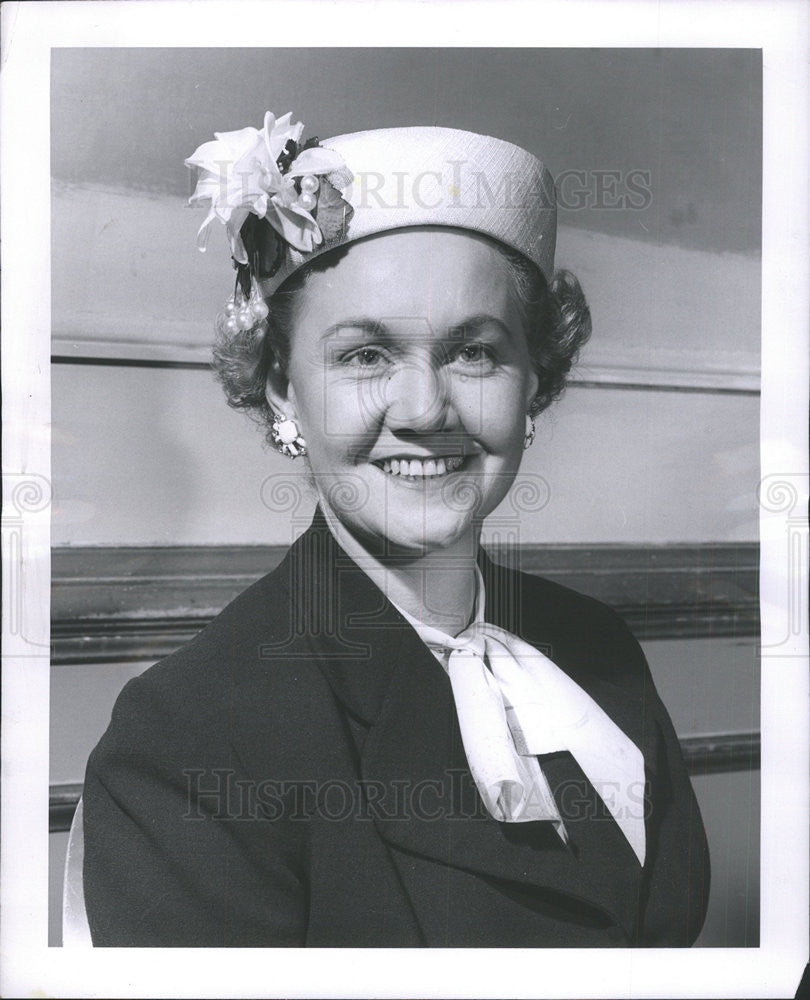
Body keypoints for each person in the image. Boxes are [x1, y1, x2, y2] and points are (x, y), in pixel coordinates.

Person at [81, 113, 710, 947]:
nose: (424, 409)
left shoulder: (599, 648)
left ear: (536, 382)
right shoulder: (189, 740)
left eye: (474, 353)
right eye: (365, 355)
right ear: (280, 390)